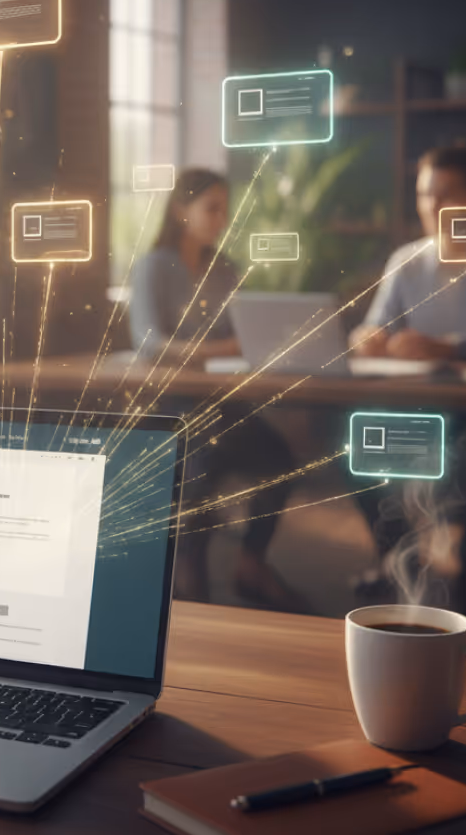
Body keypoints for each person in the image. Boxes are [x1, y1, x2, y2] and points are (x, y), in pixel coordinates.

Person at [349, 145, 466, 617]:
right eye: (424, 195)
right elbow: (370, 330)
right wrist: (367, 338)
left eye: (446, 195)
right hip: (424, 407)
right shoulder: (405, 261)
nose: (432, 207)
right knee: (352, 446)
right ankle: (403, 563)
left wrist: (447, 345)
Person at [129, 168, 308, 613]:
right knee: (201, 461)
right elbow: (149, 342)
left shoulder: (224, 267)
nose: (221, 218)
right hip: (167, 406)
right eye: (211, 207)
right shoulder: (154, 265)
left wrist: (250, 342)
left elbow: (246, 333)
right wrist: (220, 347)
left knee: (278, 459)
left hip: (219, 401)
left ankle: (251, 563)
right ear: (179, 210)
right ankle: (190, 577)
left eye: (224, 208)